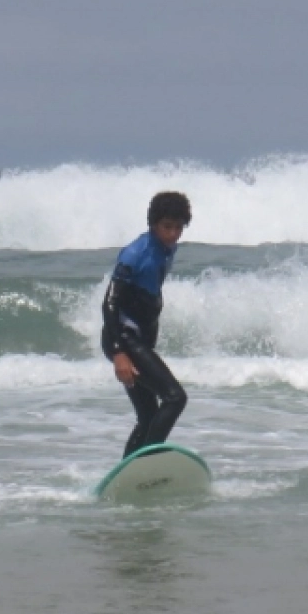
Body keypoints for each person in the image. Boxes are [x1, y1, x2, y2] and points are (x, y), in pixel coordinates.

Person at [101, 191, 191, 459]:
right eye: (167, 227)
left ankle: (125, 474)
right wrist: (119, 353)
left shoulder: (166, 249)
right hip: (124, 339)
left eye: (178, 227)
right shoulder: (135, 254)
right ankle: (147, 463)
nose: (173, 234)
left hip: (138, 340)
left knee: (149, 415)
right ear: (153, 224)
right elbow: (109, 304)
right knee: (175, 398)